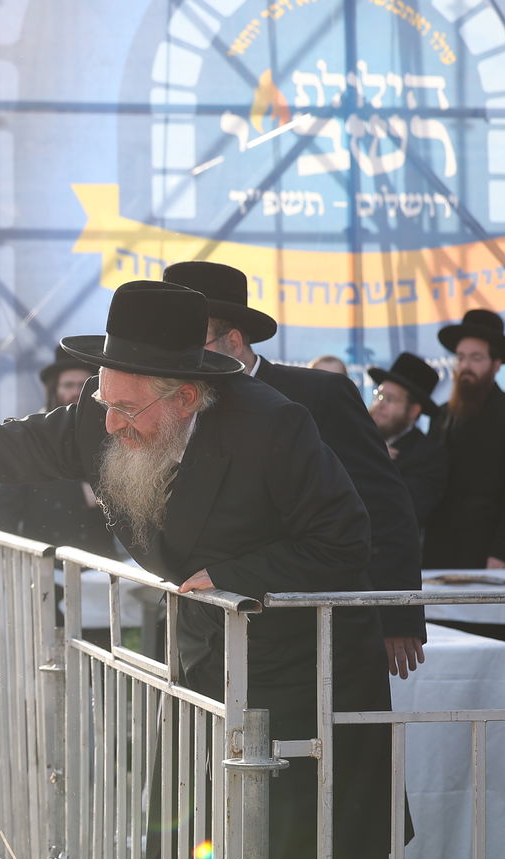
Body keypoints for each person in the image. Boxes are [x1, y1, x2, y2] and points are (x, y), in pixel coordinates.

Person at [0, 279, 393, 859]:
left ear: (187, 396)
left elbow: (346, 539)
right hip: (209, 661)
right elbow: (10, 443)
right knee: (212, 840)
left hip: (306, 670)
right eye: (106, 401)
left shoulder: (272, 425)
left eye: (129, 409)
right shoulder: (104, 416)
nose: (110, 423)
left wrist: (234, 575)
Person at [163, 261, 426, 678]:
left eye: (194, 342)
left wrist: (397, 614)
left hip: (312, 628)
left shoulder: (317, 394)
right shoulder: (175, 404)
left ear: (233, 340)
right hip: (211, 633)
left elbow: (385, 507)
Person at [423, 308, 505, 569]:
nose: (465, 366)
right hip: (443, 550)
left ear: (496, 364)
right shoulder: (442, 415)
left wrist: (502, 552)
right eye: (461, 357)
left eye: (476, 358)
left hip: (494, 552)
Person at [0, 347, 118, 555]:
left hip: (101, 567)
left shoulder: (112, 435)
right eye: (68, 385)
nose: (75, 392)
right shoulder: (30, 439)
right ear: (55, 389)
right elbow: (5, 513)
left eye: (83, 386)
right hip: (47, 569)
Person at [367, 352, 448, 529]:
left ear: (413, 411)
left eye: (390, 399)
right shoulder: (360, 442)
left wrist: (377, 462)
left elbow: (403, 512)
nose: (380, 404)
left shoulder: (428, 456)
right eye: (378, 395)